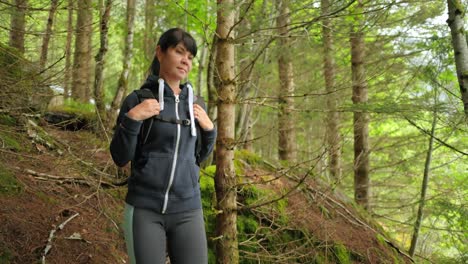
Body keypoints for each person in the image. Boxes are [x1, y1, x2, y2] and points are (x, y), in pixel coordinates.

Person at [110, 28, 216, 264]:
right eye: (179, 52)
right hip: (145, 208)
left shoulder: (197, 105)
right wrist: (133, 119)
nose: (185, 60)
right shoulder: (138, 99)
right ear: (160, 52)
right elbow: (120, 157)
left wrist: (210, 131)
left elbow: (200, 159)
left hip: (188, 209)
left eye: (190, 57)